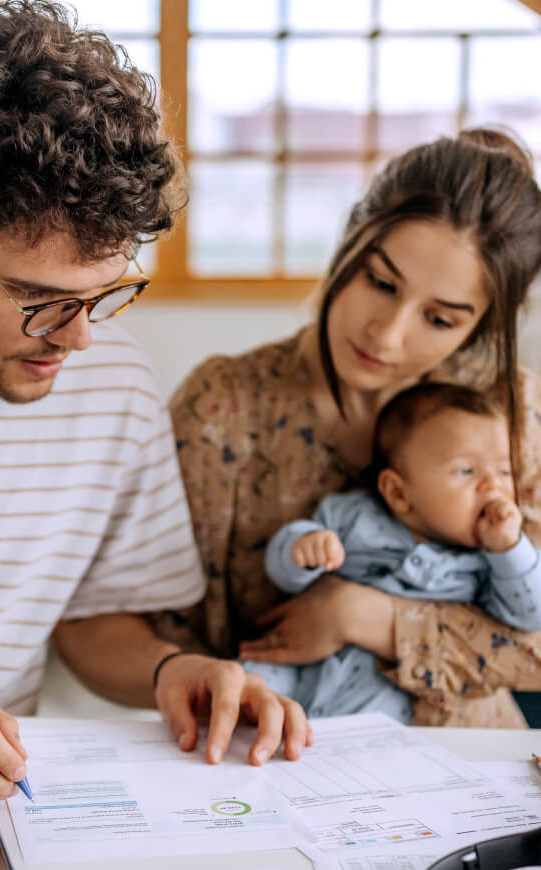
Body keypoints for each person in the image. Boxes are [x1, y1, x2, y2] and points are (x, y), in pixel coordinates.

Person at [0, 0, 311, 808]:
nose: (79, 340)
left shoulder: (113, 383)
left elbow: (93, 620)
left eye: (106, 294)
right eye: (37, 297)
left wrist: (172, 671)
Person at [150, 126, 541, 729]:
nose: (386, 333)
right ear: (349, 239)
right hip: (277, 754)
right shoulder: (222, 409)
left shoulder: (512, 411)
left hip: (475, 766)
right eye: (380, 283)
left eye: (439, 318)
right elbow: (154, 633)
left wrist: (363, 616)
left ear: (483, 324)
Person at [243, 382, 541, 722]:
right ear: (398, 493)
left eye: (505, 471)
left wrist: (508, 549)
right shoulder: (355, 515)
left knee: (372, 727)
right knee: (249, 683)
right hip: (303, 662)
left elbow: (529, 615)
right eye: (466, 471)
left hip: (383, 682)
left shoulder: (492, 560)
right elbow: (284, 574)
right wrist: (302, 548)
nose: (494, 486)